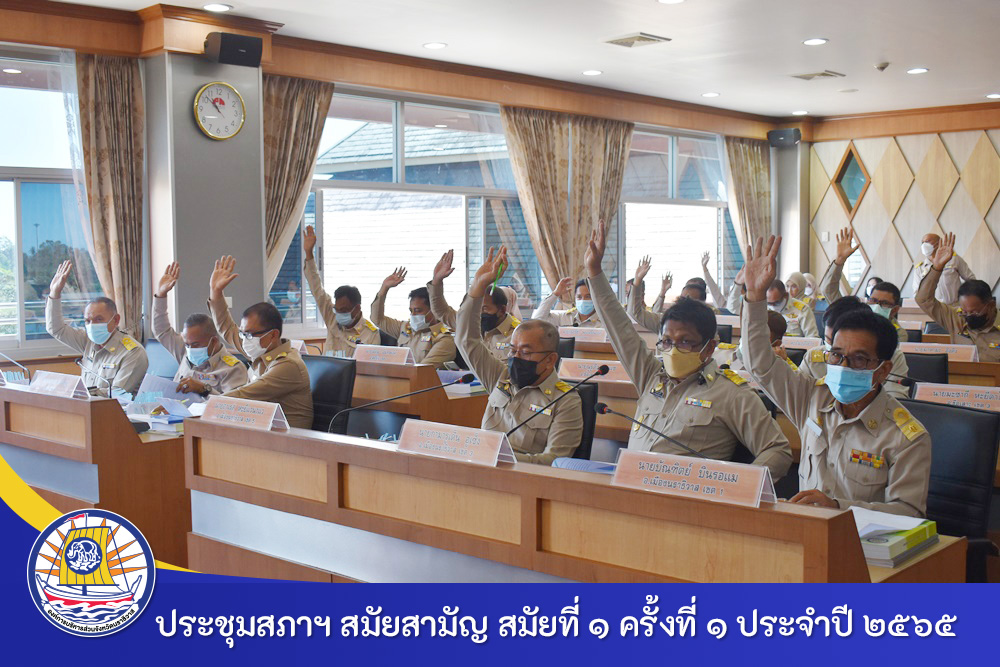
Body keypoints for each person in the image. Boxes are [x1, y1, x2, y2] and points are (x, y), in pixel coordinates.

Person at [585, 220, 792, 480]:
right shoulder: (651, 375)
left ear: (709, 348)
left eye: (685, 342)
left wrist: (736, 488)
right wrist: (594, 271)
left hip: (685, 506)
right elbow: (620, 328)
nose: (673, 350)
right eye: (667, 341)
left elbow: (778, 450)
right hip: (630, 492)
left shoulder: (731, 394)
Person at [741, 235, 930, 516]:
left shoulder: (906, 437)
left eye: (859, 359)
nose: (843, 366)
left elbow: (909, 513)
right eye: (837, 355)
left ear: (884, 370)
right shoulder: (811, 398)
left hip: (863, 547)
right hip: (804, 534)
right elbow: (760, 364)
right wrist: (755, 299)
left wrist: (839, 509)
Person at [457, 247, 582, 465]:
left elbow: (554, 462)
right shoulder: (501, 376)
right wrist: (477, 287)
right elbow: (466, 341)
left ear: (550, 360)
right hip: (480, 469)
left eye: (525, 352)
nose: (515, 357)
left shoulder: (566, 401)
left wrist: (500, 459)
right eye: (513, 350)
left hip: (522, 483)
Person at [208, 255, 314, 429]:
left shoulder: (288, 364)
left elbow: (246, 394)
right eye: (242, 334)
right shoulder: (260, 347)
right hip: (264, 434)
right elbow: (226, 327)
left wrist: (206, 405)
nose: (244, 340)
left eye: (248, 334)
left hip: (292, 443)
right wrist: (216, 293)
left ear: (273, 335)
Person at [45, 260, 148, 397]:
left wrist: (79, 392)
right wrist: (54, 293)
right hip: (86, 409)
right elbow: (56, 329)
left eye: (99, 319)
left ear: (116, 320)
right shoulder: (87, 341)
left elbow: (116, 393)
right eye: (88, 321)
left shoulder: (132, 352)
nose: (92, 325)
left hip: (113, 414)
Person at [152, 262, 248, 395]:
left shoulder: (232, 368)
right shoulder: (185, 352)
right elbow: (161, 331)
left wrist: (205, 390)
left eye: (196, 345)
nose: (191, 349)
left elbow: (232, 407)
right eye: (188, 344)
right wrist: (161, 295)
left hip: (204, 415)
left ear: (213, 341)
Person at [797, 295, 910, 399]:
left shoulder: (891, 357)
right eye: (828, 340)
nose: (834, 348)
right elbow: (799, 396)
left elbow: (896, 399)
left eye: (859, 359)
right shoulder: (813, 357)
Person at [916, 232, 1000, 361]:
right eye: (965, 312)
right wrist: (937, 268)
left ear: (991, 305)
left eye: (975, 312)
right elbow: (923, 299)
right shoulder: (956, 318)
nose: (968, 317)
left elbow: (970, 278)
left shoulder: (956, 260)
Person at [301, 226, 381, 357]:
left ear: (357, 308)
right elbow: (316, 289)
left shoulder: (371, 333)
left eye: (343, 310)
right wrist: (309, 253)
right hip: (327, 374)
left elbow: (371, 367)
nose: (339, 314)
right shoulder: (332, 318)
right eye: (336, 309)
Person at [427, 249, 519, 360]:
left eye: (484, 309)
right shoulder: (471, 324)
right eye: (476, 310)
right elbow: (441, 311)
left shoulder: (517, 334)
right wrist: (437, 281)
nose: (479, 314)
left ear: (502, 310)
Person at [821, 227, 908, 342]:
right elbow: (828, 290)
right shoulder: (855, 316)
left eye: (885, 303)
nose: (877, 306)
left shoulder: (899, 334)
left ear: (895, 309)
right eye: (873, 300)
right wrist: (840, 260)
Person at [371, 266, 456, 368]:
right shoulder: (404, 328)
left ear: (434, 311)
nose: (413, 315)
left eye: (418, 311)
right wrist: (384, 288)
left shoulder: (444, 339)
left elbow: (422, 370)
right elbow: (377, 319)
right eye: (411, 311)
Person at [912, 232, 976, 306]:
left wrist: (967, 300)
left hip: (954, 307)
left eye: (927, 242)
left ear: (939, 243)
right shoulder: (920, 268)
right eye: (922, 243)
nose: (924, 245)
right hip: (933, 310)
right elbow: (917, 293)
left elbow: (971, 280)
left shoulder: (954, 260)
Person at [532, 277, 604, 328]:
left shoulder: (604, 322)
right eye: (579, 297)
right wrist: (555, 294)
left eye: (588, 296)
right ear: (575, 298)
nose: (583, 300)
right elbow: (536, 322)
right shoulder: (563, 317)